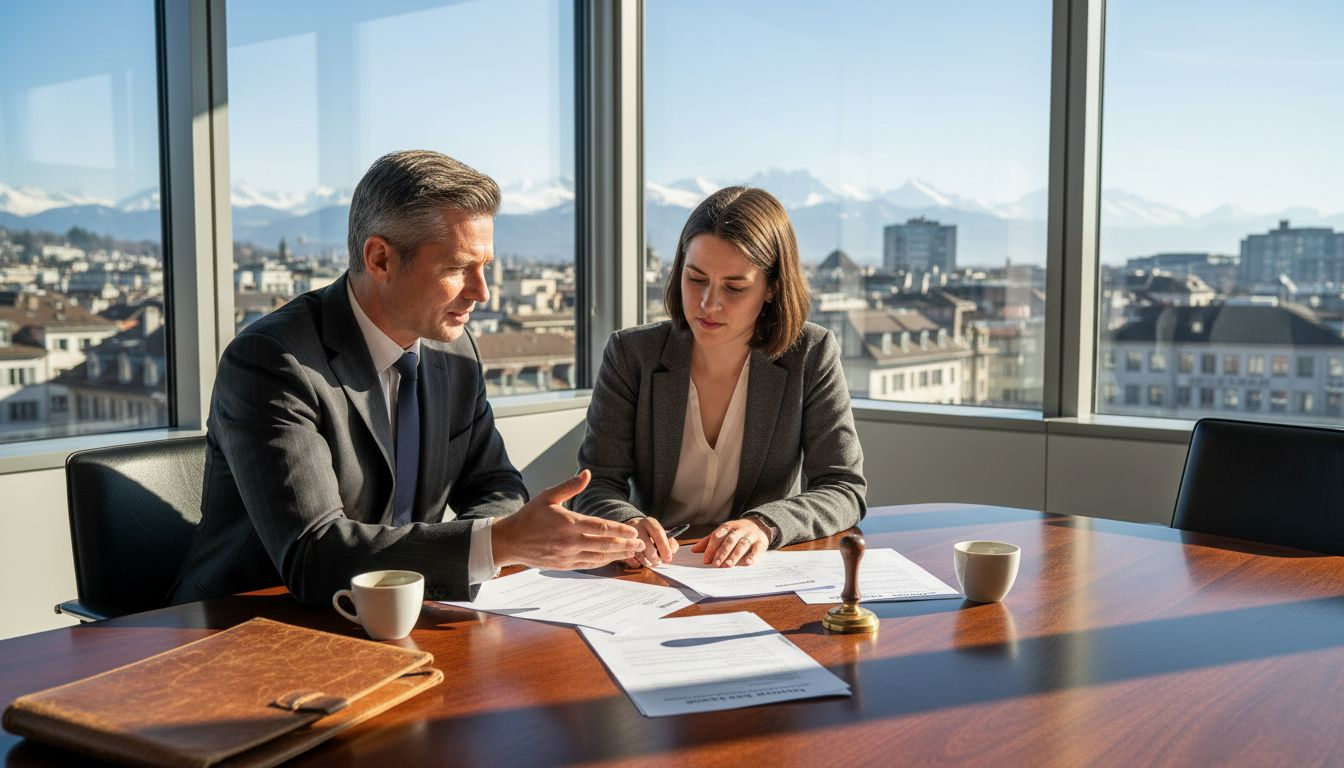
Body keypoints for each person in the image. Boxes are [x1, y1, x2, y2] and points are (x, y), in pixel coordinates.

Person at [171, 150, 642, 606]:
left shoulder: (453, 350)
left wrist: (488, 549)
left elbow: (495, 486)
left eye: (486, 268)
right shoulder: (274, 361)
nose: (483, 293)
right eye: (459, 268)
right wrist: (494, 545)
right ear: (380, 259)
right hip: (246, 627)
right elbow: (314, 554)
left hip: (402, 619)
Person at [574, 186, 866, 569]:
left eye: (734, 287)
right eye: (696, 279)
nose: (709, 304)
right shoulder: (633, 355)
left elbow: (843, 489)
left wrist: (764, 525)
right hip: (654, 572)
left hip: (755, 572)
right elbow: (595, 484)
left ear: (772, 288)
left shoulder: (810, 354)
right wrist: (628, 524)